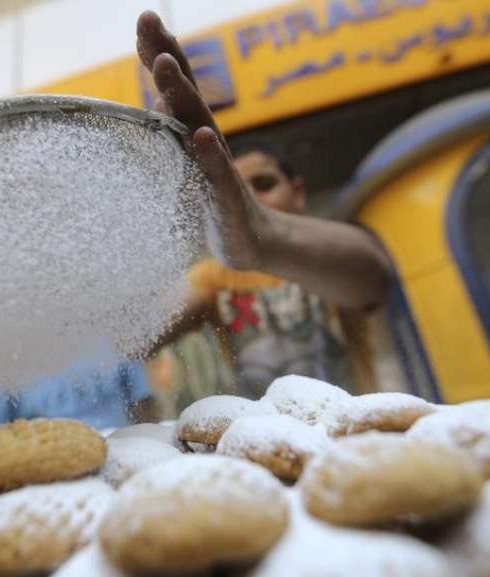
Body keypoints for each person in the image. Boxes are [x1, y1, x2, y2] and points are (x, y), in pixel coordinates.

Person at [136, 11, 392, 398]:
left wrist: (264, 236)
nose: (250, 198)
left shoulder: (328, 248)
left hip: (355, 447)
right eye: (238, 189)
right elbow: (136, 336)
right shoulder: (215, 278)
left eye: (264, 184)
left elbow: (372, 275)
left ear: (299, 191)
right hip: (259, 450)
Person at [0, 345, 155, 431]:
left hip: (122, 449)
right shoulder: (13, 362)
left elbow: (144, 403)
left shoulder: (115, 335)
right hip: (50, 470)